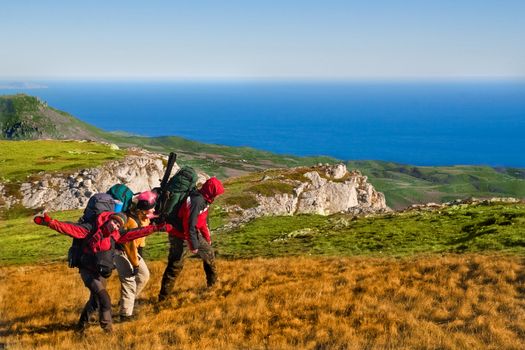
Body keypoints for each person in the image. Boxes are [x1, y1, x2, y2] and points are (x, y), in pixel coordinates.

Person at [34, 211, 171, 333]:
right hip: (87, 270)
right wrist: (50, 222)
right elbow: (70, 228)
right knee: (105, 300)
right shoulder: (91, 229)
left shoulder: (116, 235)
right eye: (114, 222)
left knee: (95, 301)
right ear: (109, 219)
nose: (115, 226)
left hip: (100, 272)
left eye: (118, 225)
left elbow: (136, 233)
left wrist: (157, 228)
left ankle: (81, 326)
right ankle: (108, 331)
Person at [158, 177, 225, 302]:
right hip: (179, 235)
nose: (217, 196)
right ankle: (163, 299)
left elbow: (202, 222)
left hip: (190, 234)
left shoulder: (205, 200)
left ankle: (213, 285)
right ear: (211, 191)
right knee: (175, 266)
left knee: (209, 253)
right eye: (216, 193)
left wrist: (206, 239)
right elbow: (189, 224)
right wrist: (193, 245)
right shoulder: (197, 201)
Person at [114, 191, 157, 321]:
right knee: (129, 281)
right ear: (143, 210)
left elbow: (140, 239)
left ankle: (126, 303)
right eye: (151, 208)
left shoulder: (145, 219)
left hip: (133, 252)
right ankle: (125, 315)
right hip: (120, 251)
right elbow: (129, 244)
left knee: (144, 276)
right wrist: (135, 263)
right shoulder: (132, 222)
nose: (153, 210)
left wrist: (139, 257)